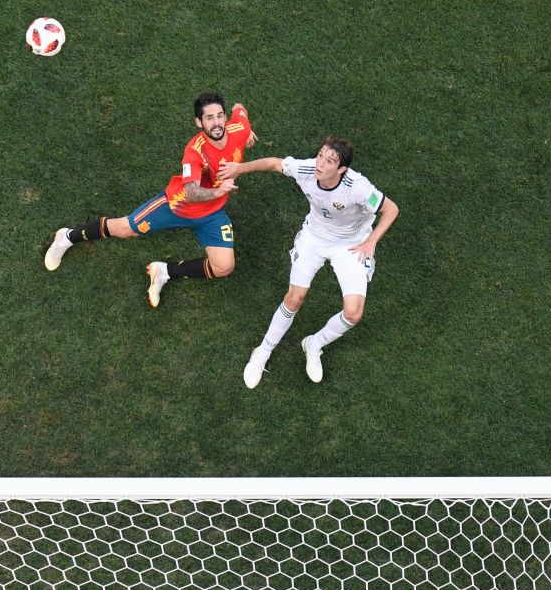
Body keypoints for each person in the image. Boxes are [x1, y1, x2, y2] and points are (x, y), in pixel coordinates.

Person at [44, 92, 257, 307]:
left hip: (212, 213)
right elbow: (192, 192)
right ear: (198, 122)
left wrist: (248, 133)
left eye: (220, 115)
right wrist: (219, 192)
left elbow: (239, 108)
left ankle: (164, 271)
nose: (217, 123)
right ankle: (67, 236)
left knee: (224, 267)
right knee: (126, 229)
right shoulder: (194, 151)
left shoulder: (239, 128)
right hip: (177, 205)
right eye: (209, 118)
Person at [218, 137, 399, 386]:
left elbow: (391, 209)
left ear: (342, 170)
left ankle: (313, 344)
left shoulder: (358, 187)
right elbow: (273, 164)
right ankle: (263, 351)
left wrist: (371, 242)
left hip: (351, 244)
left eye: (329, 161)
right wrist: (239, 169)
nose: (321, 163)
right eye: (321, 155)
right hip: (314, 236)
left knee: (354, 313)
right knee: (294, 298)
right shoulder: (307, 168)